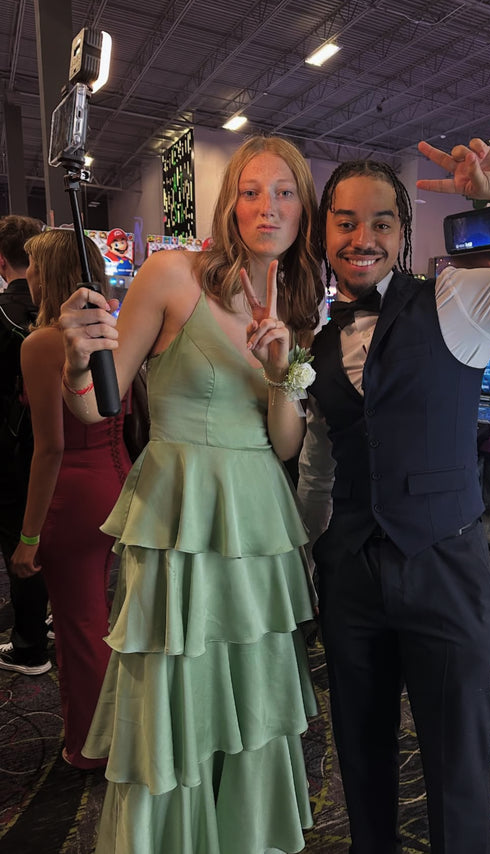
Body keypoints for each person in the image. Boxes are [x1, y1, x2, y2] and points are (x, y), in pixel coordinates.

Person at [58, 135, 324, 853]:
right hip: (179, 519)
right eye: (251, 191)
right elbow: (95, 406)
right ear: (229, 203)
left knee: (252, 696)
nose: (267, 207)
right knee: (174, 694)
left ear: (303, 208)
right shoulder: (172, 274)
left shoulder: (299, 305)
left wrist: (280, 371)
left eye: (284, 192)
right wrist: (78, 362)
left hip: (258, 525)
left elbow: (286, 444)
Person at [297, 137, 490, 854]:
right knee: (360, 760)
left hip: (443, 566)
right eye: (345, 222)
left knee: (458, 767)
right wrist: (303, 558)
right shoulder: (312, 339)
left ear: (402, 233)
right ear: (324, 232)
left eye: (380, 222)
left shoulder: (457, 298)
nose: (361, 238)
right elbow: (318, 466)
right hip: (350, 575)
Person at [9, 228, 132, 768]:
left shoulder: (42, 342)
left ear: (51, 274)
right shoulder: (116, 329)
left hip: (74, 492)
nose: (28, 277)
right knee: (107, 620)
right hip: (120, 478)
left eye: (35, 268)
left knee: (80, 626)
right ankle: (120, 732)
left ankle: (92, 746)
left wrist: (28, 535)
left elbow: (51, 447)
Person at [0, 214, 51, 676]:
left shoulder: (7, 313)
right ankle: (47, 622)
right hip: (67, 448)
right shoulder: (65, 314)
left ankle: (30, 644)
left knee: (21, 542)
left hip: (15, 450)